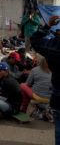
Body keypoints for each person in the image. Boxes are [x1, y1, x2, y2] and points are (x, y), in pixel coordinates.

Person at [30, 15, 60, 144]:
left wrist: (47, 25)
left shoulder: (54, 45)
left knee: (59, 133)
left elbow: (35, 40)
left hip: (58, 97)